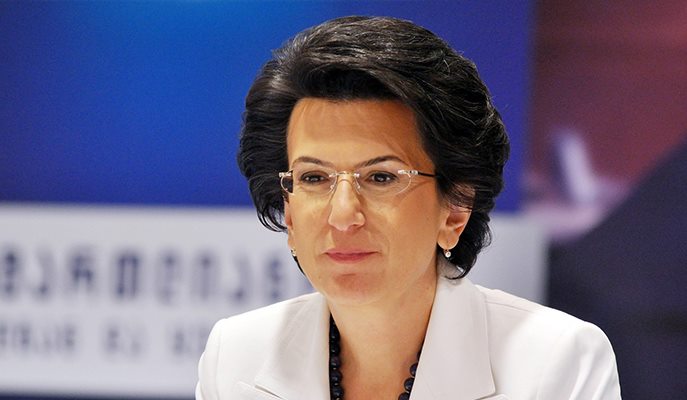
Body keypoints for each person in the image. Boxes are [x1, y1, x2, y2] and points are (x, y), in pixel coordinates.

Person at [196, 16, 621, 400]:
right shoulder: (235, 356)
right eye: (314, 178)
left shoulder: (557, 362)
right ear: (288, 213)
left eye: (381, 177)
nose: (342, 215)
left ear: (455, 210)